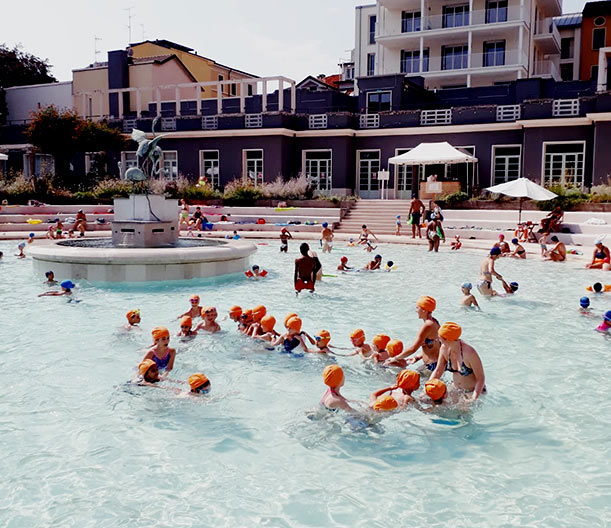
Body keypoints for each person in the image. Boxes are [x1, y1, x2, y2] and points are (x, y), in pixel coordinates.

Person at [429, 322, 486, 401]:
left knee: (463, 412)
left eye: (439, 337)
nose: (437, 340)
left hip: (472, 391)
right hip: (455, 389)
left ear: (447, 339)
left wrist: (473, 398)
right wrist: (427, 386)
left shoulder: (469, 353)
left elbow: (481, 378)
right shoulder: (444, 349)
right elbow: (438, 371)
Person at [385, 295, 440, 371]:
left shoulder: (427, 325)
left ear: (424, 310)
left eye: (417, 308)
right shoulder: (434, 322)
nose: (416, 310)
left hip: (432, 366)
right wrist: (417, 357)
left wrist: (395, 358)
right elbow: (436, 345)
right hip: (435, 364)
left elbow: (413, 348)